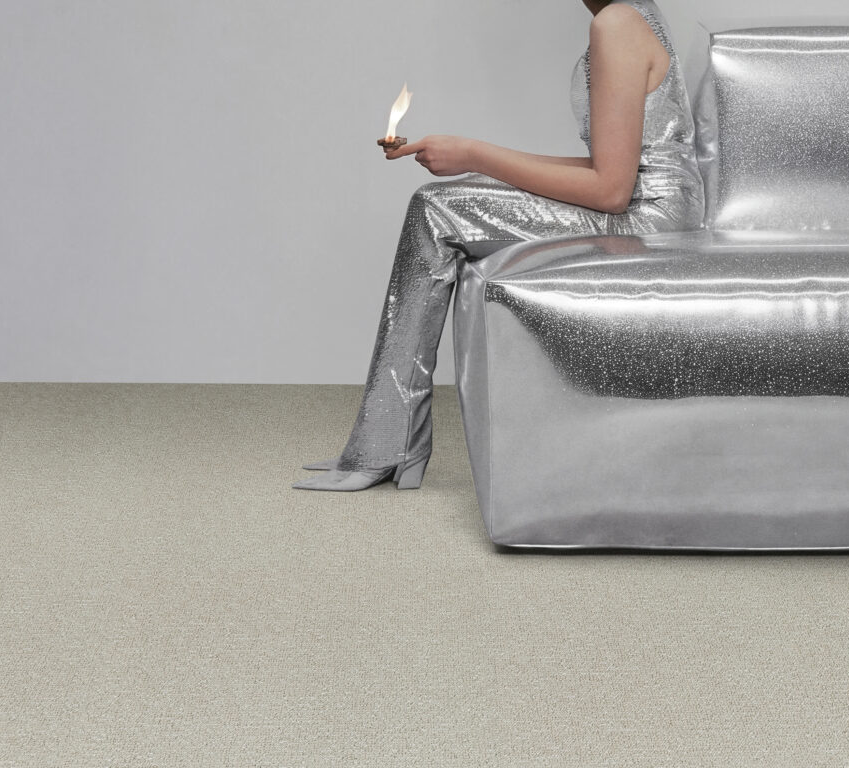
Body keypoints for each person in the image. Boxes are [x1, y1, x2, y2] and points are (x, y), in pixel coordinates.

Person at [293, 0, 704, 492]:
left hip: (647, 220)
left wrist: (475, 155)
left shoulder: (616, 23)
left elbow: (611, 191)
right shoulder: (635, 13)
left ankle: (386, 445)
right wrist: (475, 160)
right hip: (656, 207)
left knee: (434, 208)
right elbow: (612, 167)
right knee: (445, 200)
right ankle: (389, 442)